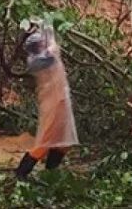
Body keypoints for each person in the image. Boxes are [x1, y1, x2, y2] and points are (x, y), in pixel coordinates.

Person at [14, 20, 78, 180]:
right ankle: (21, 174)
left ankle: (50, 173)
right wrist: (44, 20)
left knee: (64, 143)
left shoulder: (35, 59)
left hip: (57, 103)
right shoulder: (47, 56)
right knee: (45, 142)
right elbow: (51, 37)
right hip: (55, 104)